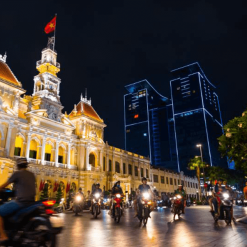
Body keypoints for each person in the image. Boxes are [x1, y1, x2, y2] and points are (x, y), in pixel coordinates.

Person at [0, 158, 36, 242]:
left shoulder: (17, 174)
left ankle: (3, 236)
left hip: (21, 202)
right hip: (31, 203)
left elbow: (5, 184)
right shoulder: (31, 174)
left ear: (18, 165)